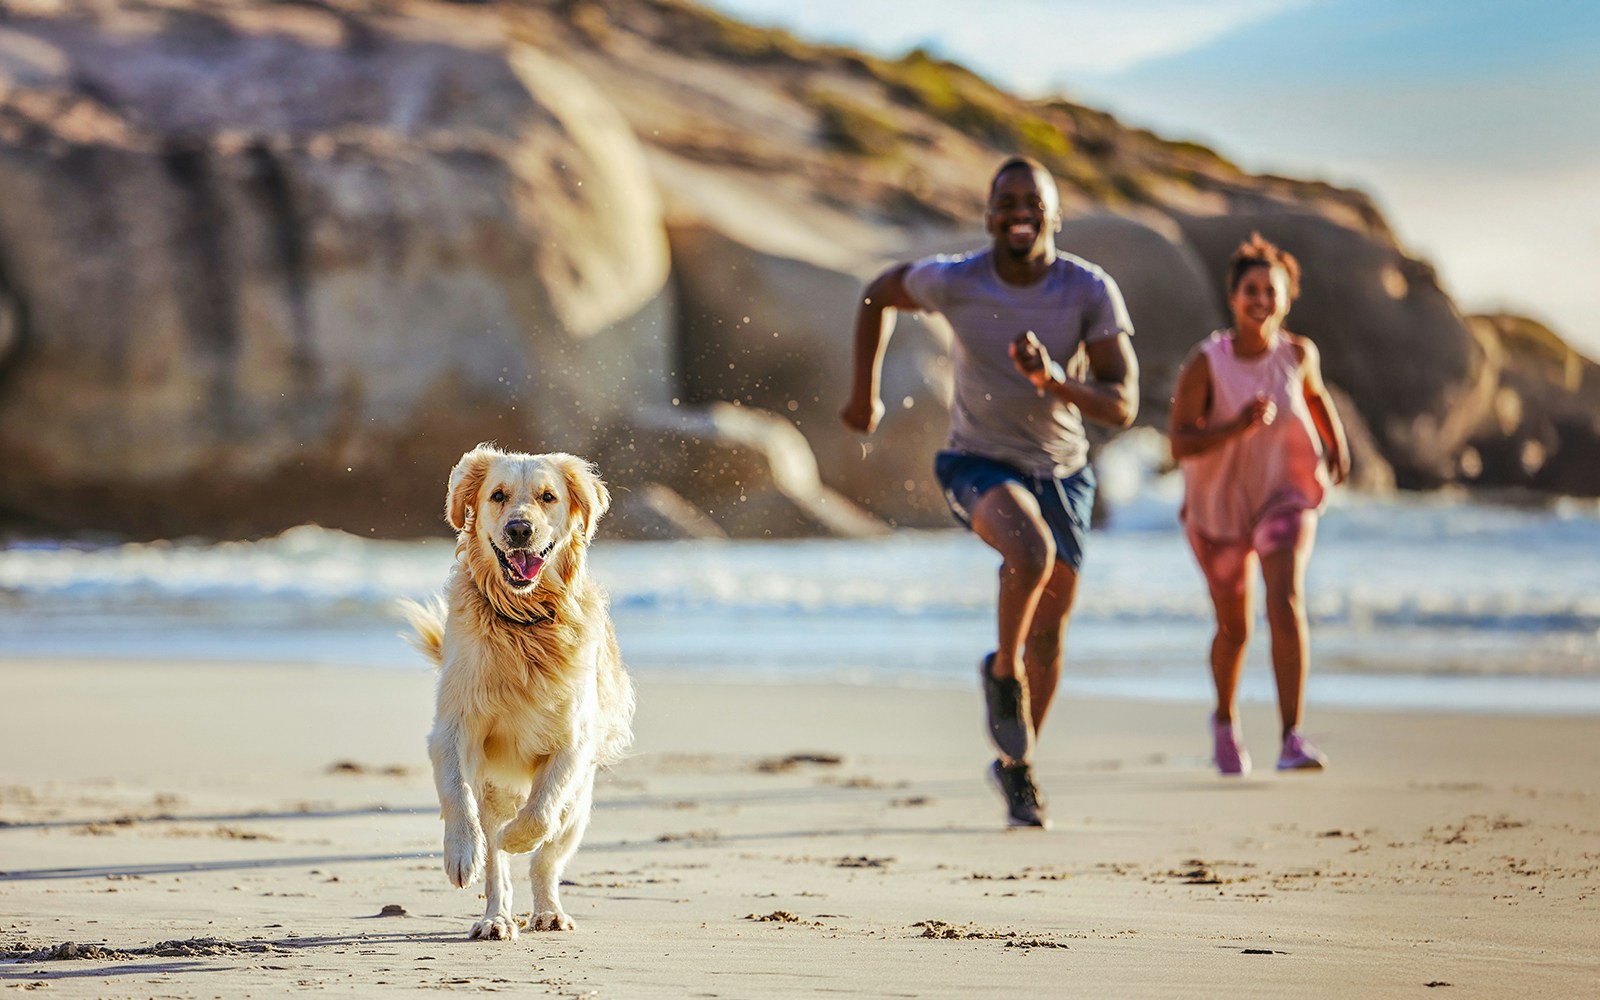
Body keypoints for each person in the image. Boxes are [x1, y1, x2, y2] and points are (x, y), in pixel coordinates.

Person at [840, 156, 1139, 828]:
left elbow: (1123, 404)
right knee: (1027, 552)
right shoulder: (956, 280)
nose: (1018, 212)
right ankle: (1002, 675)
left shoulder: (1089, 290)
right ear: (988, 215)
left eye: (1032, 201)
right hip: (976, 462)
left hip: (1064, 469)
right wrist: (864, 395)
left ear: (1055, 215)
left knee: (1052, 641)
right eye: (1005, 202)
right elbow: (877, 294)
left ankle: (1017, 765)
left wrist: (1056, 381)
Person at [1167, 232, 1350, 776]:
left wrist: (1335, 442)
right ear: (1233, 296)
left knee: (1285, 602)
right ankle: (1224, 720)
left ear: (1286, 298)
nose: (1261, 301)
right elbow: (1178, 442)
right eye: (1251, 290)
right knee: (1236, 629)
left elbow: (1315, 396)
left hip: (1284, 495)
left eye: (1271, 292)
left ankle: (1292, 737)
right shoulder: (1206, 363)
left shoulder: (1298, 353)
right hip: (1219, 505)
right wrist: (1233, 427)